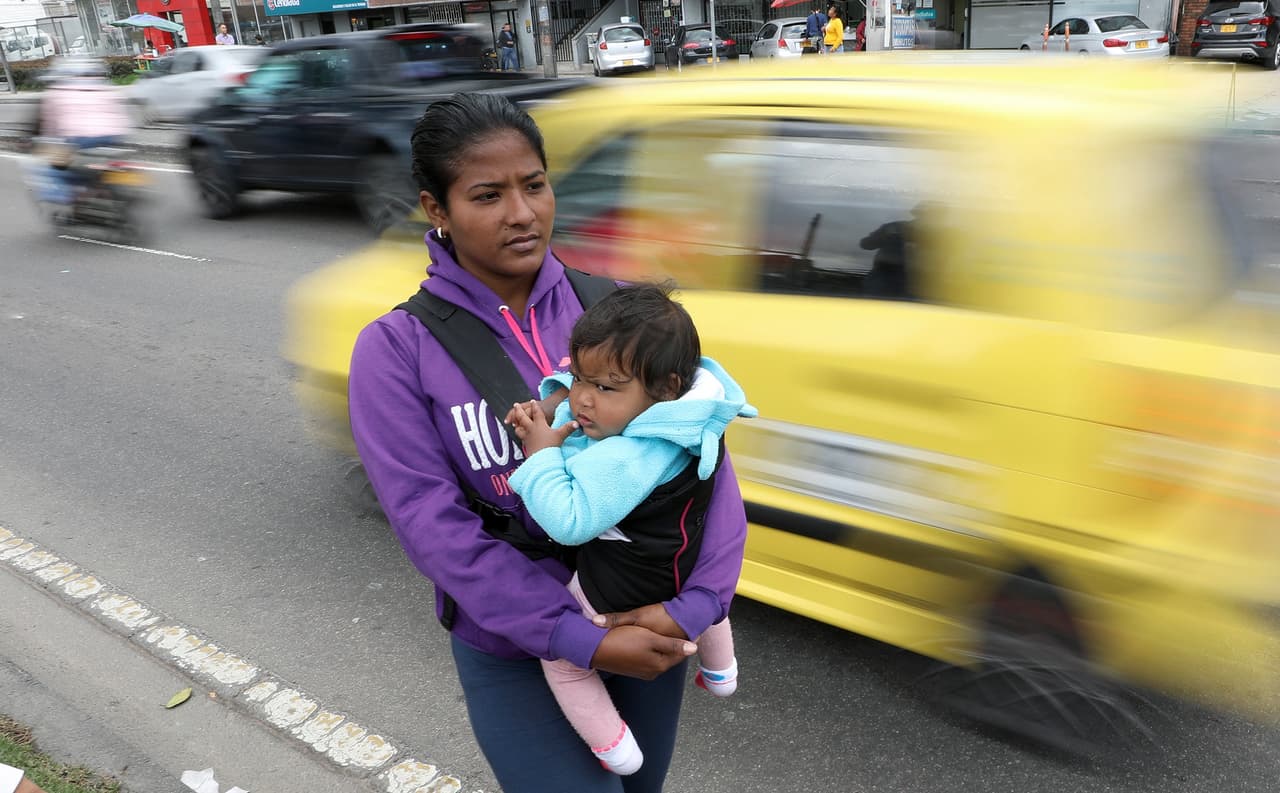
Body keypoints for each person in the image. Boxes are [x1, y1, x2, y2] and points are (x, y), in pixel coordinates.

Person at [348, 92, 749, 793]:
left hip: (647, 624)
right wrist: (577, 637)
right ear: (437, 208)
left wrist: (693, 607)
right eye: (487, 195)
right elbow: (432, 526)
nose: (522, 212)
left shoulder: (619, 310)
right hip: (517, 650)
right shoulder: (397, 350)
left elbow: (707, 464)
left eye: (534, 185)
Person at [504, 284, 754, 776]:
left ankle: (617, 749)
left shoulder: (628, 456)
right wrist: (562, 397)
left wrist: (541, 455)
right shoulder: (697, 411)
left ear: (665, 387)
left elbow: (570, 522)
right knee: (700, 596)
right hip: (681, 562)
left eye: (605, 388)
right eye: (579, 378)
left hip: (623, 583)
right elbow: (596, 387)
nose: (581, 398)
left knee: (562, 664)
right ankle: (721, 671)